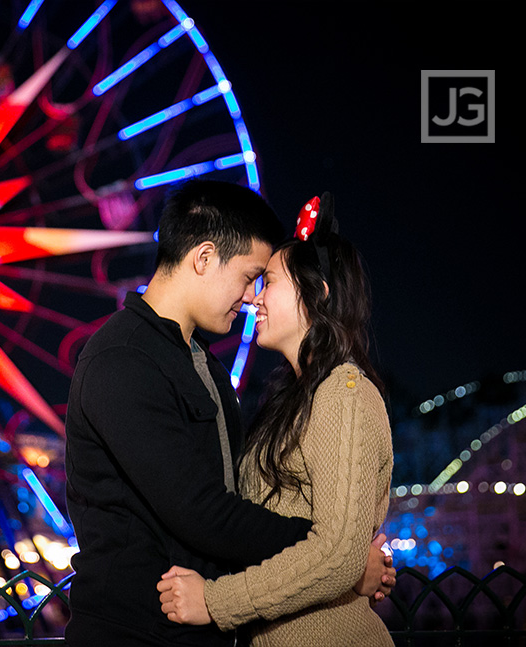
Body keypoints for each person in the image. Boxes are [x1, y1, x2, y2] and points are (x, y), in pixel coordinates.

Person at [64, 182, 393, 646]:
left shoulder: (207, 367)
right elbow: (203, 511)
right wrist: (341, 556)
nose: (250, 297)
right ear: (203, 258)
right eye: (248, 276)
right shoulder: (121, 360)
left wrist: (337, 556)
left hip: (202, 629)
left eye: (265, 281)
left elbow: (238, 501)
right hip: (138, 631)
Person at [157, 193, 395, 646]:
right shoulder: (295, 402)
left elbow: (336, 555)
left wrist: (214, 601)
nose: (254, 299)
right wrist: (351, 564)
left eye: (268, 283)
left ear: (316, 293)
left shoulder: (343, 396)